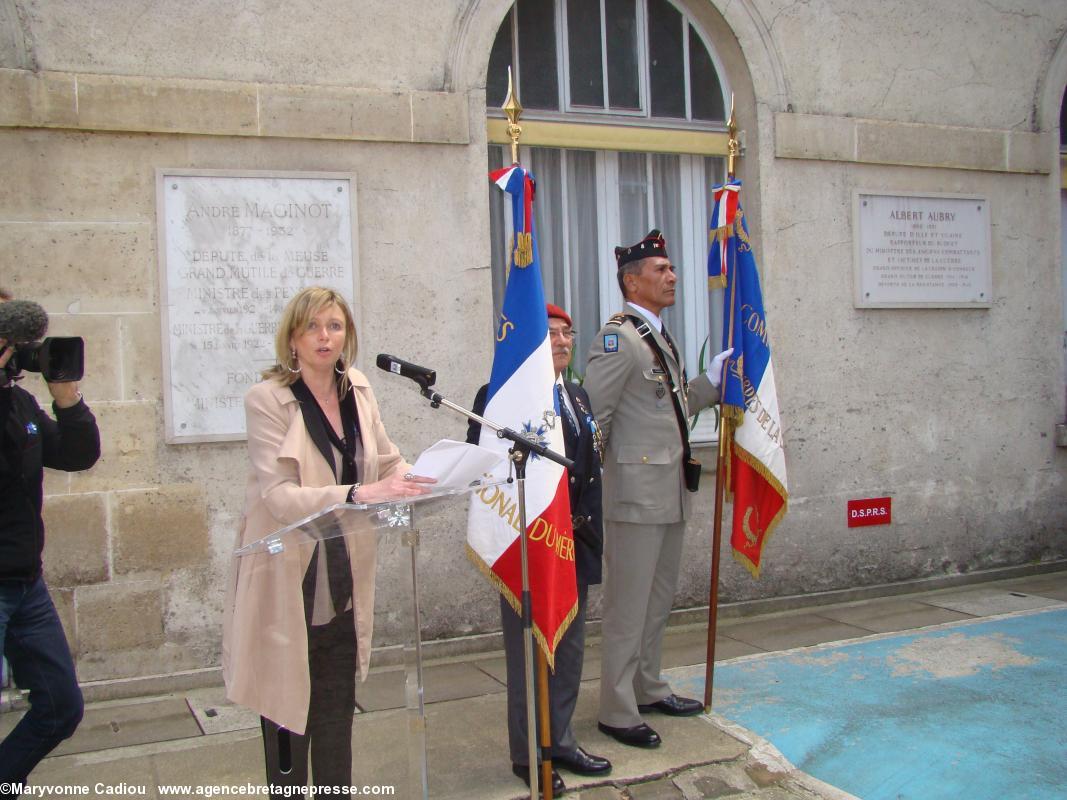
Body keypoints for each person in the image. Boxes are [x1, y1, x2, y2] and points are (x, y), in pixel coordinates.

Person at [222, 286, 434, 794]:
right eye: (313, 326)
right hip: (287, 566)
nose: (325, 336)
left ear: (348, 335)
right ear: (292, 337)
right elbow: (279, 497)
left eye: (335, 326)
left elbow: (386, 459)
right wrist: (362, 492)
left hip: (342, 564)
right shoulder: (266, 400)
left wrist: (422, 477)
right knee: (286, 701)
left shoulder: (357, 388)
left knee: (336, 703)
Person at [584, 230, 732, 749]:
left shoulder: (658, 335)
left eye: (672, 269)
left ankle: (648, 687)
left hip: (668, 491)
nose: (672, 277)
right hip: (632, 496)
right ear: (632, 280)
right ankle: (617, 710)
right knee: (628, 606)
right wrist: (590, 492)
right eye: (661, 270)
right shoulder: (617, 338)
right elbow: (593, 421)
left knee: (658, 600)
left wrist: (710, 384)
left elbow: (670, 408)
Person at [466, 303, 611, 795]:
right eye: (550, 334)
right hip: (531, 544)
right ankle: (529, 753)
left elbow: (588, 470)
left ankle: (562, 739)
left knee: (568, 650)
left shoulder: (577, 393)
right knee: (530, 655)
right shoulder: (500, 396)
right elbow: (484, 468)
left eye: (568, 333)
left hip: (576, 543)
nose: (563, 342)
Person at [0, 290, 100, 794]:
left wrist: (66, 396)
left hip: (25, 585)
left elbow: (77, 454)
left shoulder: (19, 402)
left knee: (61, 707)